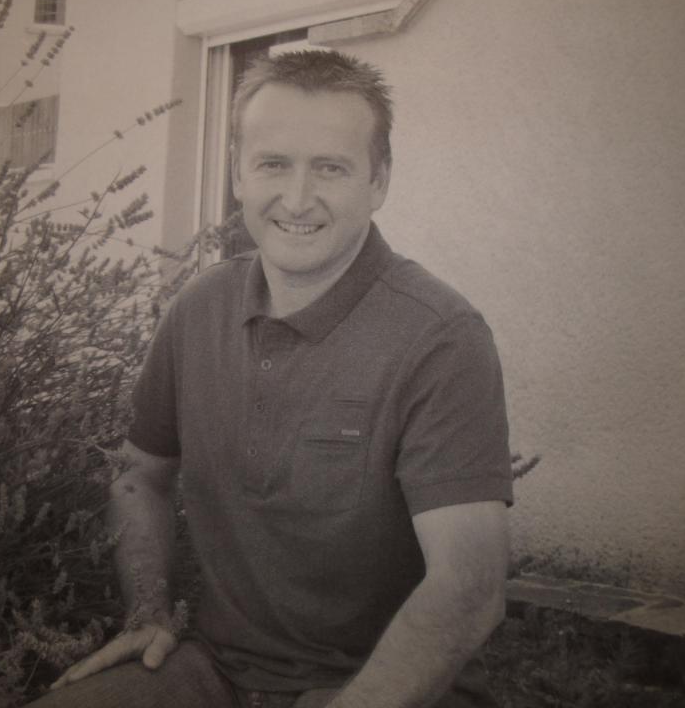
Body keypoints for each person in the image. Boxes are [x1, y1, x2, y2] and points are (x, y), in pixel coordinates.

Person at [27, 49, 513, 708]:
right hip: (216, 673)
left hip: (379, 690)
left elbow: (469, 587)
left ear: (379, 181)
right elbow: (139, 472)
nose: (297, 198)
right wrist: (147, 610)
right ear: (238, 172)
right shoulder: (199, 308)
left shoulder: (440, 337)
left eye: (331, 168)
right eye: (273, 164)